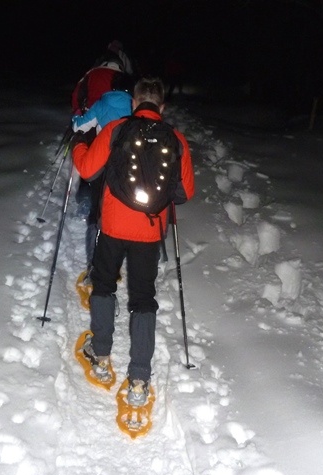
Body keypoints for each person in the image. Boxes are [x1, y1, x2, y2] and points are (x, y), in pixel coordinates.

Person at [71, 77, 195, 406]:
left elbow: (87, 169)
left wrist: (79, 144)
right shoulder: (176, 139)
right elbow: (186, 192)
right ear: (161, 106)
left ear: (134, 102)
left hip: (113, 225)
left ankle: (100, 355)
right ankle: (139, 378)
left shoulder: (117, 130)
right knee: (143, 298)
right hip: (150, 232)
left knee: (104, 284)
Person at [71, 76, 134, 286]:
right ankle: (115, 263)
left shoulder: (102, 103)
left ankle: (95, 266)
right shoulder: (134, 106)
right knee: (122, 212)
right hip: (127, 167)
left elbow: (80, 126)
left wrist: (76, 116)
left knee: (98, 214)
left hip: (102, 164)